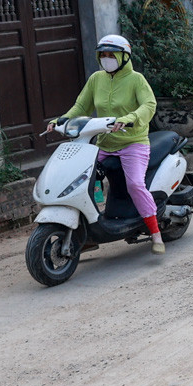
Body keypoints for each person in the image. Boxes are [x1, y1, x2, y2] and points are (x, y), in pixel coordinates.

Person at [49, 33, 164, 254]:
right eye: (103, 54)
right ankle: (87, 233)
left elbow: (149, 105)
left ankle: (156, 232)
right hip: (104, 144)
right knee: (80, 179)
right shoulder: (96, 79)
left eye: (112, 54)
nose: (107, 58)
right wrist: (60, 120)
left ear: (125, 57)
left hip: (133, 143)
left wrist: (130, 118)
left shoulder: (136, 80)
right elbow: (80, 107)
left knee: (135, 185)